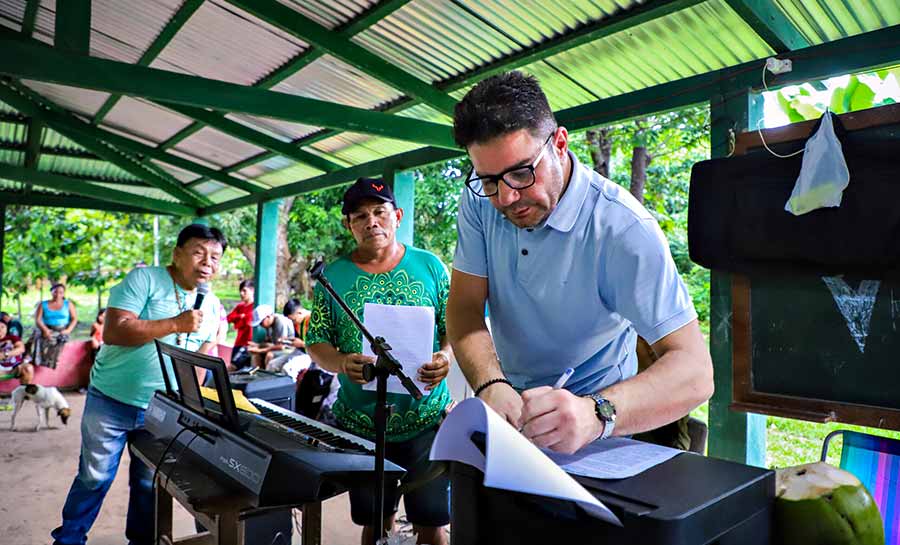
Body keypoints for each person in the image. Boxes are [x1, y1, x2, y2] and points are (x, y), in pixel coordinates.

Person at [447, 71, 714, 456]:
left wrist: (596, 414)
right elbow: (465, 308)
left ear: (559, 143)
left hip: (598, 423)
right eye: (489, 180)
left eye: (522, 172)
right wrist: (491, 383)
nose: (506, 198)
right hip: (513, 415)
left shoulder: (623, 229)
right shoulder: (477, 201)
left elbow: (696, 373)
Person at [51, 224, 226, 545]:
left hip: (161, 410)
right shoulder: (144, 280)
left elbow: (201, 358)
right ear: (177, 253)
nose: (207, 262)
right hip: (111, 401)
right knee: (94, 477)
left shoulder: (214, 307)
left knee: (148, 484)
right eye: (199, 252)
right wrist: (175, 323)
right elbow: (115, 331)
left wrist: (191, 405)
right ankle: (69, 540)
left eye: (215, 257)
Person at [307, 177, 453, 545]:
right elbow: (316, 342)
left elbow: (456, 327)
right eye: (360, 216)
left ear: (397, 216)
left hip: (426, 419)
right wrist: (341, 362)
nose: (371, 222)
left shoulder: (431, 266)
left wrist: (446, 356)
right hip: (363, 426)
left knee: (433, 524)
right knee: (375, 523)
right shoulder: (332, 277)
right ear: (348, 224)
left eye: (379, 212)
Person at [30, 283, 78, 368]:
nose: (58, 294)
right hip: (47, 329)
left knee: (60, 340)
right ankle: (39, 362)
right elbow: (38, 320)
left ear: (63, 293)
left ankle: (52, 363)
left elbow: (74, 319)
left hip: (62, 330)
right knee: (40, 339)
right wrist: (45, 330)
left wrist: (68, 330)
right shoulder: (43, 304)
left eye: (61, 292)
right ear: (51, 292)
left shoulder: (68, 304)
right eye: (55, 292)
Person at [247, 304, 295, 370]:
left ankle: (268, 378)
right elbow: (269, 342)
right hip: (278, 347)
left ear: (268, 317)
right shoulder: (268, 325)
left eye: (261, 323)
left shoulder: (280, 321)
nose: (261, 325)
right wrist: (258, 345)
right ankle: (257, 376)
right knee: (255, 355)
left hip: (289, 349)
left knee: (269, 355)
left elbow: (281, 346)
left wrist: (260, 350)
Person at [226, 279, 255, 369]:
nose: (241, 294)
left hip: (248, 344)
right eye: (240, 291)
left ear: (252, 290)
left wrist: (240, 320)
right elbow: (229, 318)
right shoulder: (240, 307)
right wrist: (240, 317)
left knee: (233, 367)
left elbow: (247, 322)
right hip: (238, 342)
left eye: (244, 291)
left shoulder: (255, 307)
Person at [0, 319, 33, 384]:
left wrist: (5, 354)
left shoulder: (13, 338)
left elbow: (21, 349)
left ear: (7, 328)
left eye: (2, 327)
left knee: (28, 368)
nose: (0, 330)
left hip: (15, 367)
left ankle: (25, 391)